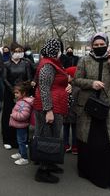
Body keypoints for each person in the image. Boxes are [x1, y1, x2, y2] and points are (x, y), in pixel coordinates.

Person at [73, 33, 110, 192]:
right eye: (95, 45)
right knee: (89, 140)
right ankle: (88, 172)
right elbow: (76, 80)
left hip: (109, 108)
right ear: (91, 46)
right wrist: (92, 83)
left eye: (101, 44)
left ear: (107, 44)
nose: (98, 47)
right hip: (88, 108)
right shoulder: (84, 60)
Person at [33, 38, 70, 184]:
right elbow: (44, 89)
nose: (61, 51)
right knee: (46, 138)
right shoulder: (47, 65)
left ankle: (50, 163)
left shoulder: (53, 63)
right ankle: (42, 171)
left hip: (55, 105)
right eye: (59, 48)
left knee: (53, 137)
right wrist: (48, 110)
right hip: (49, 108)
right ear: (55, 50)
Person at [2, 43, 33, 149]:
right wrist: (13, 90)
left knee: (23, 115)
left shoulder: (26, 63)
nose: (18, 53)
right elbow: (4, 79)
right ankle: (7, 139)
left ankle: (23, 140)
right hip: (10, 93)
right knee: (9, 115)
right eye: (16, 51)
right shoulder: (6, 64)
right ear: (11, 52)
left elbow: (29, 78)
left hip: (23, 93)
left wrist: (22, 90)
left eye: (20, 51)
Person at [9, 81, 34, 165]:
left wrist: (13, 115)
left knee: (21, 141)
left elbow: (24, 115)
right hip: (19, 125)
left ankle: (24, 157)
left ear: (23, 93)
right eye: (15, 93)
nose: (15, 94)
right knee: (20, 140)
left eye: (17, 93)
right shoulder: (21, 101)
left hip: (22, 126)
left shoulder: (24, 103)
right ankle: (20, 153)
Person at [63, 66, 79, 154]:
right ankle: (66, 145)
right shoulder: (64, 86)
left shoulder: (77, 87)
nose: (66, 76)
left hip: (73, 111)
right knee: (66, 128)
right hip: (66, 111)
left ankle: (74, 146)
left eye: (67, 75)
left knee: (75, 129)